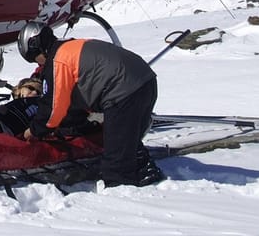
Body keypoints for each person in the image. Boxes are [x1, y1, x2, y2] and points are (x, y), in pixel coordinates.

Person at [17, 24, 164, 188]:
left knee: (116, 167)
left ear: (37, 46)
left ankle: (123, 191)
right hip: (145, 81)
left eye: (34, 57)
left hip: (123, 91)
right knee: (127, 142)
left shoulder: (58, 59)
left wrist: (34, 131)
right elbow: (74, 96)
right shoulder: (71, 46)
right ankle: (144, 169)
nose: (38, 62)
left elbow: (53, 108)